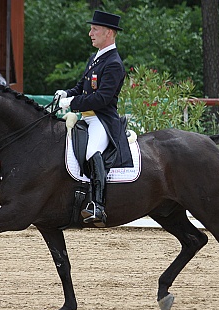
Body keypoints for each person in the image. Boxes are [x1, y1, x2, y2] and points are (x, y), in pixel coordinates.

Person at [55, 10, 133, 227]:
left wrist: (73, 103)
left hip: (102, 120)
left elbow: (102, 98)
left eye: (94, 29)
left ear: (108, 33)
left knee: (92, 152)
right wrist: (67, 93)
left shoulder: (114, 63)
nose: (90, 33)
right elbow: (82, 87)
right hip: (86, 118)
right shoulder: (95, 58)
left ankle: (98, 205)